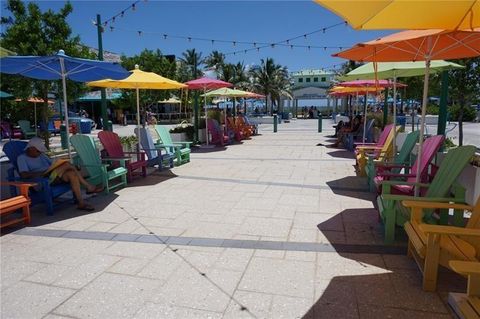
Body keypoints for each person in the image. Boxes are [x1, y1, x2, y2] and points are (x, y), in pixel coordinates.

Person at [17, 137, 103, 211]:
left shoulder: (41, 156)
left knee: (72, 173)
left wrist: (56, 165)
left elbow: (51, 164)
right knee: (67, 165)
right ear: (31, 148)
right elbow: (24, 175)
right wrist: (43, 173)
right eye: (38, 151)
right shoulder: (22, 158)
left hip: (53, 176)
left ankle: (81, 203)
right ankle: (88, 186)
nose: (40, 153)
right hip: (43, 180)